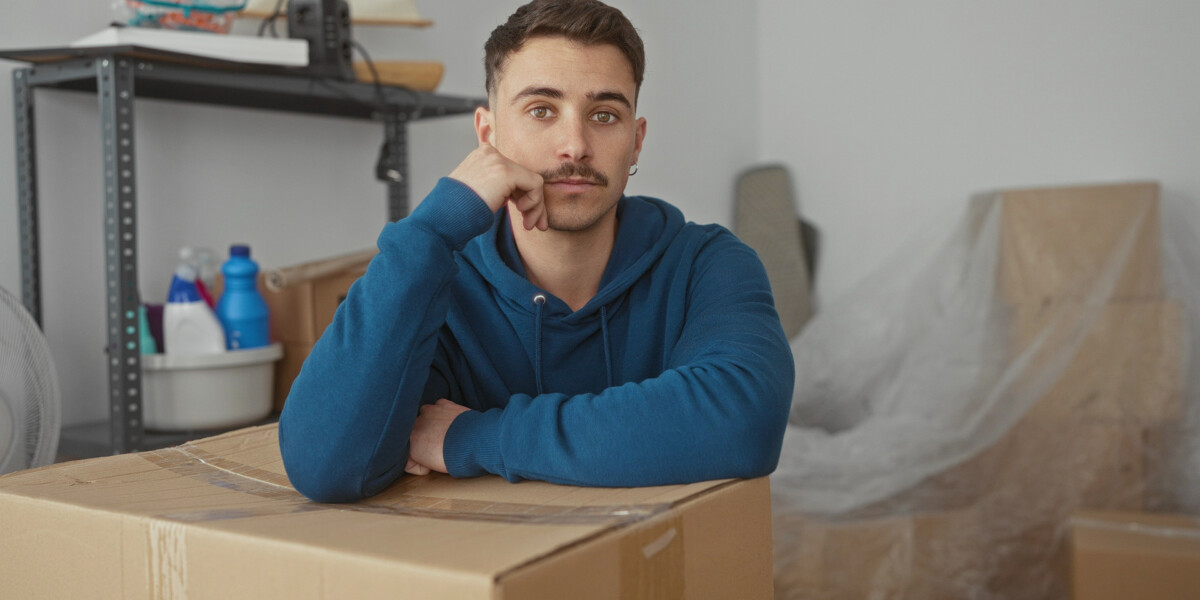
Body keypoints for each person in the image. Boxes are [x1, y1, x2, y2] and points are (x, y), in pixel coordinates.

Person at [279, 0, 794, 503]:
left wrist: (469, 437)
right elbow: (325, 466)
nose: (574, 144)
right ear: (488, 134)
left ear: (636, 142)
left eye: (604, 114)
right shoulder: (440, 286)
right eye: (541, 110)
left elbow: (745, 422)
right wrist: (433, 230)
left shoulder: (709, 264)